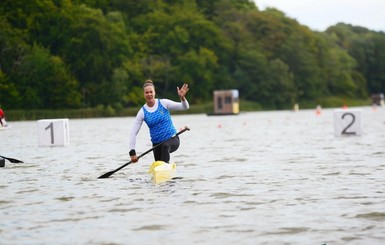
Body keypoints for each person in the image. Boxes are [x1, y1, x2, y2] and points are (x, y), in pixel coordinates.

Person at [129, 80, 190, 163]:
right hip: (156, 145)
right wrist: (132, 153)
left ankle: (166, 167)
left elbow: (184, 107)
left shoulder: (163, 103)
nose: (149, 94)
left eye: (151, 92)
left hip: (172, 139)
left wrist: (182, 98)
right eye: (147, 92)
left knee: (165, 146)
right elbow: (133, 133)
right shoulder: (142, 112)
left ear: (155, 93)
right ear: (144, 94)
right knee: (158, 162)